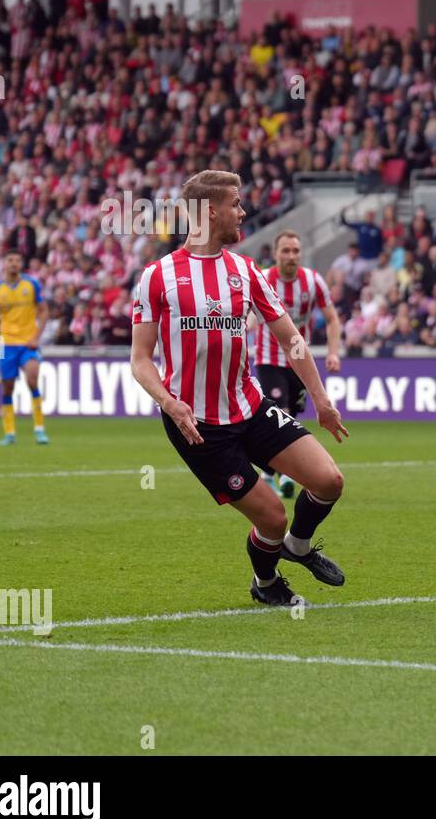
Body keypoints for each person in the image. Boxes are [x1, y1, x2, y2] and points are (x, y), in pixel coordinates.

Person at [130, 170, 350, 606]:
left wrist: (322, 401)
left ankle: (299, 546)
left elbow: (291, 339)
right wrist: (169, 403)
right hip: (198, 425)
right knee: (272, 516)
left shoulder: (245, 270)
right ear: (210, 211)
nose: (243, 212)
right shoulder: (158, 277)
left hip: (248, 406)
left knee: (329, 480)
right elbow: (140, 361)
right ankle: (266, 584)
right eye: (236, 203)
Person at [251, 230, 343, 497]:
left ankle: (269, 471)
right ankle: (286, 476)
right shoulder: (264, 279)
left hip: (299, 362)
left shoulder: (313, 282)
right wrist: (246, 328)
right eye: (285, 251)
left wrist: (333, 352)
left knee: (291, 416)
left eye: (295, 251)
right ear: (276, 253)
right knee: (282, 410)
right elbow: (250, 313)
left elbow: (333, 319)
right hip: (269, 358)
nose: (291, 256)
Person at [0, 250, 49, 445]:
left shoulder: (31, 284)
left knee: (32, 378)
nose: (14, 263)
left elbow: (44, 311)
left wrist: (36, 336)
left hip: (28, 344)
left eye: (17, 260)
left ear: (21, 264)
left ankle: (39, 429)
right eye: (10, 260)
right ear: (4, 264)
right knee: (7, 388)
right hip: (6, 344)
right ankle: (9, 433)